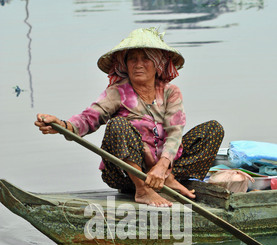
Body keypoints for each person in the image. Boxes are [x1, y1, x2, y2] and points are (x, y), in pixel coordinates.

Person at [35, 27, 224, 207]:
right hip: (127, 174)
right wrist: (61, 125)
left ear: (157, 64)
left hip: (165, 169)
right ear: (125, 64)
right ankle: (143, 190)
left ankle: (166, 178)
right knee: (118, 125)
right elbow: (88, 118)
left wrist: (162, 167)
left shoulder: (170, 92)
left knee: (212, 129)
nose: (138, 64)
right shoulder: (118, 92)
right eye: (132, 59)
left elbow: (175, 132)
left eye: (145, 59)